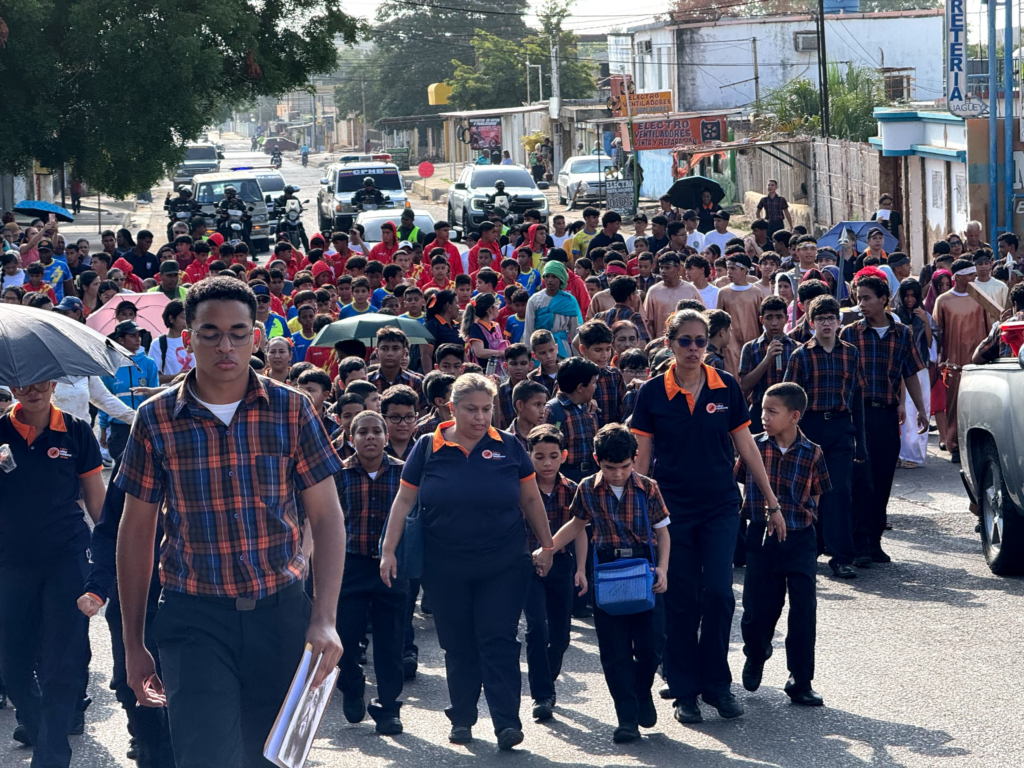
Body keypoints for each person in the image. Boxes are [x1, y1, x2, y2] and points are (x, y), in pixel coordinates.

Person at [113, 278, 347, 767]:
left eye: (238, 333)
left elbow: (326, 518)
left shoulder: (292, 409)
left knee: (274, 758)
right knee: (206, 757)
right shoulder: (155, 419)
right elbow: (135, 533)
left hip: (281, 615)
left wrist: (324, 618)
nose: (225, 345)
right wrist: (133, 643)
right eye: (211, 333)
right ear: (188, 338)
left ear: (255, 337)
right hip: (193, 618)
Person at [379, 374, 557, 751]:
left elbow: (530, 499)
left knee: (498, 639)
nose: (480, 417)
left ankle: (506, 723)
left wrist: (547, 546)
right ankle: (462, 717)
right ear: (452, 408)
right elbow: (404, 501)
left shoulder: (509, 445)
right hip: (445, 566)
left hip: (503, 563)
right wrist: (388, 550)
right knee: (458, 644)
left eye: (487, 409)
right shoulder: (428, 446)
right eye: (471, 409)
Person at [631, 309, 780, 724]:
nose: (694, 349)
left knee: (718, 594)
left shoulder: (725, 386)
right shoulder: (652, 393)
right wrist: (639, 514)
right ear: (669, 344)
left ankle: (716, 684)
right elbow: (642, 460)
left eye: (701, 341)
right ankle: (684, 691)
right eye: (685, 341)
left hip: (720, 506)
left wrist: (771, 500)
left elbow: (746, 446)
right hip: (671, 509)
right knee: (681, 599)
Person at [0, 379, 105, 768]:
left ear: (55, 382)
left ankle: (51, 755)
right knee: (12, 666)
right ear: (12, 386)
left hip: (67, 557)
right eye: (24, 384)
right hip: (11, 561)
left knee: (62, 661)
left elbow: (97, 502)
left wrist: (110, 558)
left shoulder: (76, 431)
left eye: (42, 382)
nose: (34, 391)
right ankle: (41, 726)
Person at [545, 424, 670, 743]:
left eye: (624, 467)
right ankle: (626, 718)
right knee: (614, 652)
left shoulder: (648, 487)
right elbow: (576, 525)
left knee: (651, 646)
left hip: (644, 569)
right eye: (610, 467)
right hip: (608, 571)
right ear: (597, 460)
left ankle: (642, 691)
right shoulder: (587, 488)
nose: (617, 474)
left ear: (635, 458)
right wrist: (547, 549)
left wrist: (663, 569)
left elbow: (663, 531)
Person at [738, 382, 831, 707]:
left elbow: (818, 492)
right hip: (761, 537)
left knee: (804, 609)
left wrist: (805, 519)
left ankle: (800, 680)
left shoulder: (813, 452)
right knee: (757, 609)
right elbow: (740, 480)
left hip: (800, 538)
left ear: (794, 416)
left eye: (772, 411)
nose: (763, 417)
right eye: (763, 410)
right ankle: (756, 652)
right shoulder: (754, 446)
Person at [839, 274, 928, 564]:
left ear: (883, 299)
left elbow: (910, 373)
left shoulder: (902, 333)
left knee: (883, 477)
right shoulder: (850, 333)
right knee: (861, 478)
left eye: (867, 298)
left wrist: (920, 410)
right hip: (858, 415)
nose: (861, 304)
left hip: (887, 415)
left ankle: (874, 540)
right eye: (858, 298)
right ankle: (860, 541)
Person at [334, 410, 407, 735]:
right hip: (350, 565)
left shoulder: (403, 473)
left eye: (376, 431)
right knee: (345, 639)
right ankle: (352, 687)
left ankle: (388, 708)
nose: (370, 437)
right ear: (352, 439)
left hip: (392, 566)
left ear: (386, 437)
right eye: (362, 432)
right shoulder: (338, 474)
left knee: (391, 642)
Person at [784, 296, 867, 579]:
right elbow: (789, 400)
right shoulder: (800, 355)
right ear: (811, 323)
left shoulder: (851, 353)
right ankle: (809, 549)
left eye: (831, 318)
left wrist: (861, 444)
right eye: (820, 319)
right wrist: (788, 438)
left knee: (840, 493)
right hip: (810, 429)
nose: (827, 323)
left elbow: (857, 399)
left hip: (841, 429)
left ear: (839, 321)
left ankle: (841, 557)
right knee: (808, 493)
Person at [520, 425, 586, 721]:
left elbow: (580, 531)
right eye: (539, 456)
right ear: (529, 456)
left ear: (564, 456)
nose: (547, 463)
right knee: (537, 627)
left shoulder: (573, 489)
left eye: (553, 456)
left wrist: (581, 569)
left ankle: (548, 676)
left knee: (561, 635)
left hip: (561, 564)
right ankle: (542, 694)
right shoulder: (521, 489)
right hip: (527, 566)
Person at [932, 259, 989, 463]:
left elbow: (989, 328)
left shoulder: (981, 298)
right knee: (954, 405)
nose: (974, 277)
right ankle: (954, 445)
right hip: (953, 363)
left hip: (978, 362)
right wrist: (939, 359)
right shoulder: (943, 300)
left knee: (979, 404)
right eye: (970, 274)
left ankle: (978, 445)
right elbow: (937, 332)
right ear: (958, 276)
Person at [739, 296, 797, 433]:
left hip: (787, 410)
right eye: (769, 318)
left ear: (786, 318)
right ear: (761, 320)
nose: (774, 323)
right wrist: (767, 360)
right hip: (759, 410)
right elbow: (744, 384)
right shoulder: (750, 348)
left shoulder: (796, 348)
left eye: (779, 317)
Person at [895, 278, 934, 468]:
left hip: (921, 369)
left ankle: (915, 455)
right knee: (904, 411)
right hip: (902, 368)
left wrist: (925, 322)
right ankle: (901, 453)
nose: (910, 299)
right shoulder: (895, 316)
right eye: (906, 295)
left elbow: (930, 344)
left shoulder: (924, 315)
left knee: (921, 409)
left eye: (913, 295)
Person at [544, 357, 599, 483]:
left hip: (592, 473)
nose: (595, 387)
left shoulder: (589, 407)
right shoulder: (553, 410)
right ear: (580, 388)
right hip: (566, 477)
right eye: (593, 383)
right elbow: (545, 448)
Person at [522, 261, 583, 360]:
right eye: (547, 276)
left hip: (562, 348)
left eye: (554, 277)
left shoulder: (569, 300)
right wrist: (529, 354)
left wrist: (578, 358)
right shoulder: (534, 300)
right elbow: (529, 329)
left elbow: (575, 332)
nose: (550, 280)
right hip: (539, 348)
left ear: (561, 279)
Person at [715, 252, 763, 377]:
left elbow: (761, 319)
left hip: (753, 341)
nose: (729, 272)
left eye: (733, 268)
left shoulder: (756, 292)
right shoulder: (723, 292)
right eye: (728, 268)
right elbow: (719, 320)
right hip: (730, 343)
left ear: (744, 270)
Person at [642, 252, 703, 340]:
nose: (663, 271)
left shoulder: (691, 290)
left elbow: (701, 317)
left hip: (687, 341)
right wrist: (653, 341)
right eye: (661, 267)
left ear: (678, 268)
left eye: (667, 268)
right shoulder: (653, 291)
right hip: (661, 341)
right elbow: (648, 322)